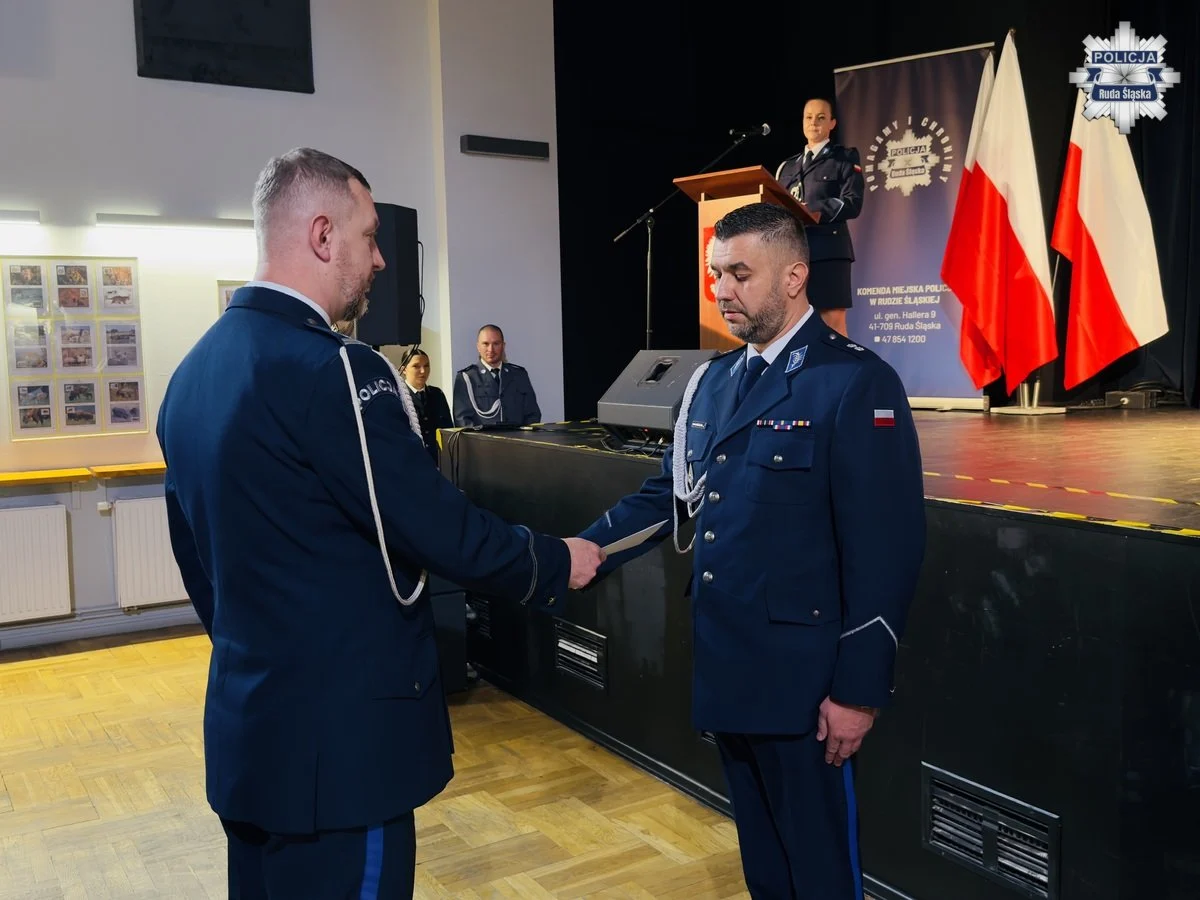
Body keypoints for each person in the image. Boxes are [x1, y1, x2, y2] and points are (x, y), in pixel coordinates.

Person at [156, 147, 604, 899]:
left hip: (251, 737)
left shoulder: (193, 372)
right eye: (369, 237)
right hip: (344, 754)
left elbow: (198, 561)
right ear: (322, 235)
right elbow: (432, 525)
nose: (381, 260)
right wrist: (553, 560)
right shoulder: (338, 368)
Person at [576, 202, 925, 899]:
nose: (722, 290)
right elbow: (674, 493)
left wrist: (857, 692)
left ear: (794, 276)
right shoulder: (713, 381)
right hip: (730, 670)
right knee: (765, 868)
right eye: (716, 275)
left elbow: (887, 549)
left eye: (740, 274)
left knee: (820, 873)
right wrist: (585, 546)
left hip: (806, 691)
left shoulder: (854, 381)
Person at [774, 97, 864, 338]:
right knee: (792, 325)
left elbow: (853, 202)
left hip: (828, 251)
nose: (813, 122)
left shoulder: (844, 158)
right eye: (809, 117)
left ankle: (839, 365)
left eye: (821, 117)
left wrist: (812, 210)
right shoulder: (787, 167)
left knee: (831, 324)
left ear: (832, 123)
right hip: (792, 252)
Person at [452, 324, 541, 427]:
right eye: (485, 344)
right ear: (478, 346)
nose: (491, 349)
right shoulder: (467, 378)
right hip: (483, 437)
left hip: (517, 436)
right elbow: (462, 420)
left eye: (496, 344)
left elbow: (532, 414)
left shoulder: (519, 375)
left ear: (503, 346)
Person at [398, 347, 452, 466]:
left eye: (426, 366)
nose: (423, 371)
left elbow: (448, 430)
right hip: (410, 462)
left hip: (437, 462)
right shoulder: (398, 396)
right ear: (404, 369)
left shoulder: (437, 394)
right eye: (416, 366)